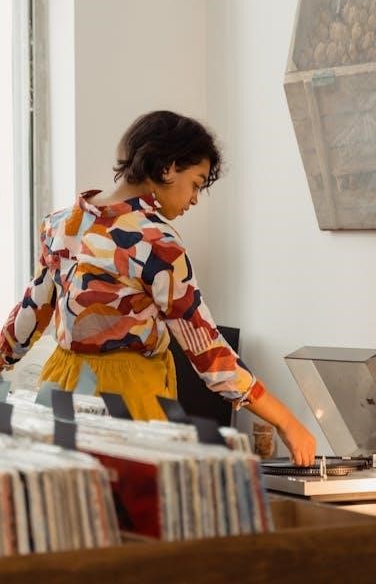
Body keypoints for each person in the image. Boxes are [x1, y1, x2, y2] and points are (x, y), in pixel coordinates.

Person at [0, 110, 315, 466]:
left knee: (66, 496)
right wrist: (286, 421)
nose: (194, 199)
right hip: (125, 401)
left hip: (57, 393)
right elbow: (207, 350)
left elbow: (29, 317)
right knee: (132, 499)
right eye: (196, 183)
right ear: (168, 168)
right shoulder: (156, 241)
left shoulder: (59, 224)